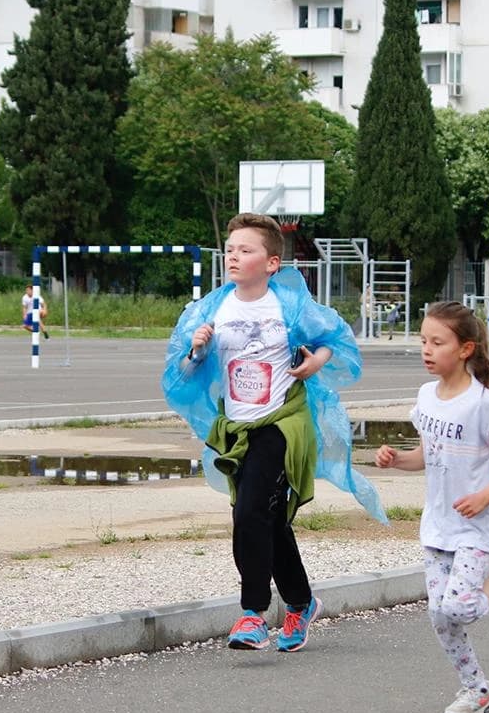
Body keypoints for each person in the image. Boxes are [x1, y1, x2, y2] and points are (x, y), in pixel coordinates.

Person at [162, 213, 386, 652]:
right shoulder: (210, 309)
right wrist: (197, 350)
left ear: (271, 263)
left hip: (284, 422)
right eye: (230, 250)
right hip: (237, 428)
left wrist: (316, 362)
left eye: (246, 250)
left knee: (249, 514)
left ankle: (252, 614)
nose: (234, 257)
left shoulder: (290, 306)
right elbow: (181, 373)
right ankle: (301, 603)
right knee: (266, 516)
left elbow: (335, 342)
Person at [374, 301, 489, 713]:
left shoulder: (484, 405)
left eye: (437, 342)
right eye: (423, 341)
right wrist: (397, 461)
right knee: (439, 616)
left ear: (465, 349)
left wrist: (487, 495)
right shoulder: (427, 397)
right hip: (439, 525)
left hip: (478, 528)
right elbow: (428, 455)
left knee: (460, 607)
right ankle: (477, 691)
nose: (426, 350)